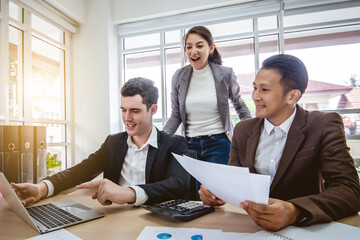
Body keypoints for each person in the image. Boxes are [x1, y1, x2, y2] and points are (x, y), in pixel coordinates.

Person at [199, 54, 360, 231]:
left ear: (292, 96)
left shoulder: (323, 124)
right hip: (251, 227)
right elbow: (234, 180)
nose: (255, 96)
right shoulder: (243, 130)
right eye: (254, 88)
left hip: (304, 229)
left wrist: (295, 211)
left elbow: (349, 190)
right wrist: (216, 191)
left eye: (264, 90)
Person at [12, 77, 189, 207]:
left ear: (153, 110)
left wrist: (129, 192)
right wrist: (43, 187)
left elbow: (178, 185)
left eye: (135, 110)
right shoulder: (113, 143)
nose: (127, 118)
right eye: (123, 110)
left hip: (154, 223)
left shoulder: (175, 144)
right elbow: (80, 171)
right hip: (114, 221)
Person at [164, 26, 251, 182]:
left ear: (211, 48)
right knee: (197, 197)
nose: (193, 51)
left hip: (219, 144)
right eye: (188, 47)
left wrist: (253, 132)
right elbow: (176, 115)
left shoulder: (225, 74)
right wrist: (161, 140)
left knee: (218, 193)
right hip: (190, 146)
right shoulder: (179, 76)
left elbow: (239, 105)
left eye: (199, 45)